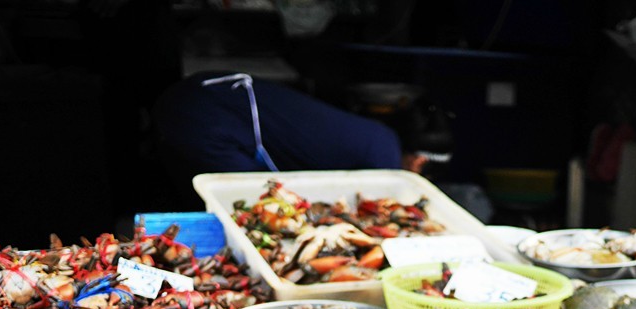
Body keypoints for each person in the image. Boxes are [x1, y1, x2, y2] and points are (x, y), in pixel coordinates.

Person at [152, 71, 446, 204]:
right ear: (419, 161)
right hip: (205, 114)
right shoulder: (385, 159)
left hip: (196, 93)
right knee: (251, 203)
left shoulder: (376, 138)